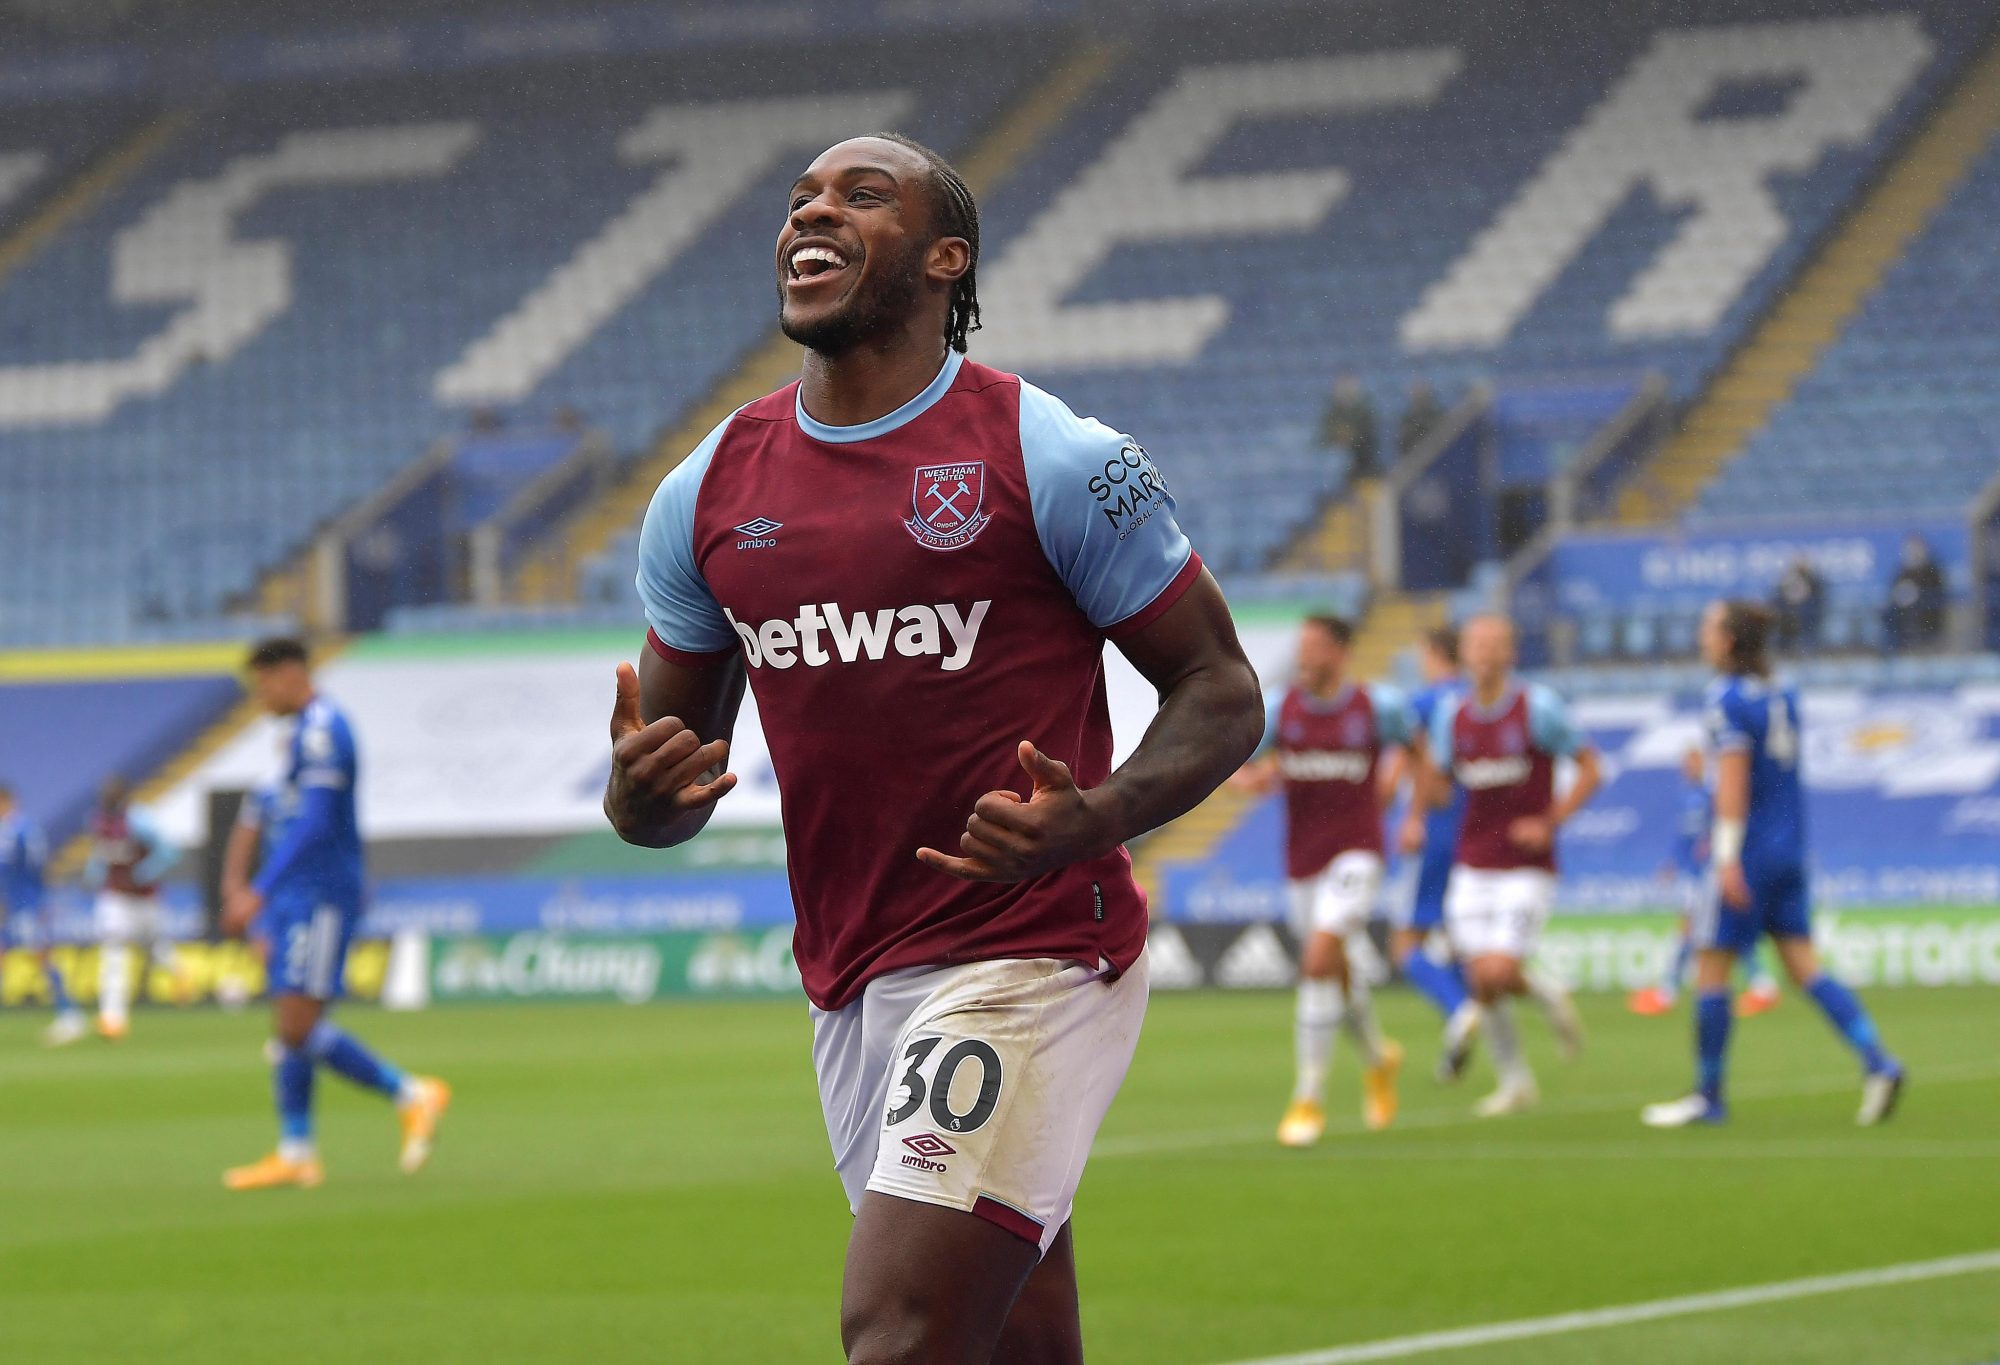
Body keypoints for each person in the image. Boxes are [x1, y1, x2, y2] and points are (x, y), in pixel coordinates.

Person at [608, 133, 1262, 1365]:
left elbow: (1220, 690)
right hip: (851, 975)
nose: (813, 214)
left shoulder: (1052, 456)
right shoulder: (704, 493)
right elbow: (669, 783)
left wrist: (1095, 816)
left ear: (944, 259)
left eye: (861, 197)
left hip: (1030, 953)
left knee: (900, 1333)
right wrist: (637, 799)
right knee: (1013, 1344)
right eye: (800, 198)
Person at [1643, 603, 1905, 1129]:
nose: (1700, 636)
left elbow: (1733, 780)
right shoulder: (1784, 691)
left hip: (1748, 852)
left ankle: (1708, 1096)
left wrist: (1725, 857)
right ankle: (1878, 1062)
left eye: (1708, 628)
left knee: (1711, 969)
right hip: (1790, 849)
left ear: (1728, 641)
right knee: (1805, 967)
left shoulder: (1725, 698)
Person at [221, 638, 450, 1190]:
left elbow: (317, 823)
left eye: (262, 684)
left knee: (297, 1025)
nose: (259, 697)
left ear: (288, 673)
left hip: (319, 895)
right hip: (299, 898)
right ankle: (297, 1151)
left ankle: (410, 1093)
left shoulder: (323, 728)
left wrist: (258, 891)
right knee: (291, 1022)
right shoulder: (303, 736)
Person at [1411, 615, 1600, 1117]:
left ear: (1511, 654)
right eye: (1477, 644)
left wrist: (1550, 821)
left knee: (1497, 970)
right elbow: (1438, 781)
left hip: (1525, 865)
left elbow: (1590, 767)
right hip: (1472, 864)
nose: (1486, 653)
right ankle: (1516, 1080)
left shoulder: (1537, 707)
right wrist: (1416, 806)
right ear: (1464, 655)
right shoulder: (1452, 715)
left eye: (1495, 644)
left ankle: (1542, 997)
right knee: (1483, 981)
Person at [1231, 615, 1409, 1147]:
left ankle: (1308, 1097)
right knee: (1335, 965)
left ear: (1340, 652)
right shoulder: (1283, 708)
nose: (1304, 656)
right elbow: (1242, 759)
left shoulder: (1377, 706)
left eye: (1314, 647)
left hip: (1358, 853)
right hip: (1304, 858)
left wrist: (1405, 799)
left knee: (1317, 960)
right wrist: (1252, 778)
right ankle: (1377, 1056)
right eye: (1301, 647)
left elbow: (1414, 749)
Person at [1627, 747, 1778, 1018]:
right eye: (1686, 762)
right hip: (1692, 874)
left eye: (1694, 761)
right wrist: (1672, 863)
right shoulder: (1685, 797)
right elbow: (1683, 839)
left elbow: (1726, 825)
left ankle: (1667, 992)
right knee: (1714, 932)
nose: (1689, 767)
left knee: (1691, 930)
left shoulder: (1712, 795)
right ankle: (1762, 986)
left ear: (1703, 764)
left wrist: (1716, 852)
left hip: (1710, 874)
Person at [1393, 626, 1480, 1080]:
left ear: (1432, 653)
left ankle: (1459, 1009)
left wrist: (1412, 817)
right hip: (1477, 830)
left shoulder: (1426, 703)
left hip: (1438, 829)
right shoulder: (1475, 698)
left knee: (1406, 943)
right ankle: (1465, 1035)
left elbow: (1419, 763)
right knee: (1460, 940)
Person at [84, 775, 181, 1040]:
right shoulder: (97, 820)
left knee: (155, 948)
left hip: (144, 900)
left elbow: (170, 852)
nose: (108, 802)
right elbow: (100, 854)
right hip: (115, 899)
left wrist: (144, 873)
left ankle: (178, 973)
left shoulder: (139, 821)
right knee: (114, 954)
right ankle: (113, 1018)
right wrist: (93, 874)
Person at [1, 783, 88, 1046]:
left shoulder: (22, 831)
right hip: (12, 905)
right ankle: (69, 1014)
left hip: (27, 905)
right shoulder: (13, 831)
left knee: (43, 956)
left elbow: (36, 869)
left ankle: (70, 1015)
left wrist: (35, 903)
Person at [1883, 534, 1947, 653]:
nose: (1914, 553)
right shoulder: (1902, 571)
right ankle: (1896, 645)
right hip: (1904, 618)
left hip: (1927, 617)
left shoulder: (1932, 571)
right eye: (1911, 549)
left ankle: (1917, 640)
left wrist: (1916, 594)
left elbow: (1936, 592)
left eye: (1917, 549)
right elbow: (1894, 591)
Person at [1317, 373, 1378, 478]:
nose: (1345, 391)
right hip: (1336, 455)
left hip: (1361, 460)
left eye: (1348, 387)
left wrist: (1348, 438)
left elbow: (1367, 436)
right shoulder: (1331, 412)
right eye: (1342, 387)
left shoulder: (1365, 411)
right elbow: (1322, 436)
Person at [1770, 555, 1824, 656]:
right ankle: (1784, 650)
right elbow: (1778, 598)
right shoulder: (1787, 579)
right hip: (1788, 616)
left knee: (1807, 618)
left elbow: (1819, 600)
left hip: (1807, 617)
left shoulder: (1814, 582)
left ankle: (1806, 650)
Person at [1397, 379, 1443, 460]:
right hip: (1415, 459)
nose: (1420, 399)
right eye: (1417, 397)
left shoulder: (1436, 417)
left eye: (1422, 396)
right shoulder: (1408, 420)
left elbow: (1443, 439)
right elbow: (1403, 444)